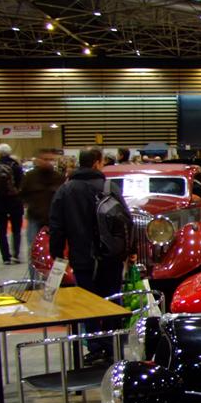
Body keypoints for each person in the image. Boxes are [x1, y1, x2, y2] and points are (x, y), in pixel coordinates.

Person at [49, 148, 124, 364]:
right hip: (110, 256)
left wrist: (57, 256)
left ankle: (94, 346)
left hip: (81, 257)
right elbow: (124, 221)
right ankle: (112, 345)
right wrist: (127, 251)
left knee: (86, 303)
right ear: (97, 163)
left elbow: (56, 226)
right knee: (112, 301)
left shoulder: (65, 190)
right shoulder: (110, 188)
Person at [19, 148, 64, 256]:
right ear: (38, 160)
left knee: (55, 250)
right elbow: (22, 194)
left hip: (54, 221)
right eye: (45, 159)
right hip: (34, 219)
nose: (48, 162)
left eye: (50, 159)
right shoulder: (30, 177)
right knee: (33, 250)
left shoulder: (59, 178)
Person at [0, 143, 25, 264]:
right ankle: (16, 255)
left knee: (2, 232)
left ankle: (6, 257)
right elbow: (21, 183)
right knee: (16, 230)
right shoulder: (15, 166)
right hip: (14, 201)